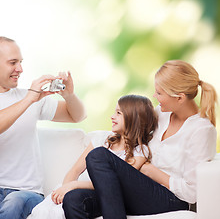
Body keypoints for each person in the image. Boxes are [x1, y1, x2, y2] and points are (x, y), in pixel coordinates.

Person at [0, 36, 87, 219]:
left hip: (27, 193)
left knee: (13, 203)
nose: (20, 69)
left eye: (20, 62)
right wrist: (28, 99)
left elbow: (77, 116)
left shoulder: (33, 99)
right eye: (13, 63)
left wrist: (70, 95)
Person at [63, 60, 218, 219]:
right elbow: (132, 125)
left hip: (170, 199)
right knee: (73, 200)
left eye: (159, 93)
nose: (154, 96)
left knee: (98, 156)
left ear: (179, 97)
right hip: (139, 188)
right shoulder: (161, 114)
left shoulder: (201, 130)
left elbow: (191, 193)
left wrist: (150, 170)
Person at [30, 94, 158, 219]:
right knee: (60, 204)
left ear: (133, 118)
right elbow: (75, 171)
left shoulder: (140, 151)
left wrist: (74, 185)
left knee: (75, 197)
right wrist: (65, 189)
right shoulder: (102, 140)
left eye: (119, 113)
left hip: (104, 196)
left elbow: (114, 184)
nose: (112, 117)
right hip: (78, 191)